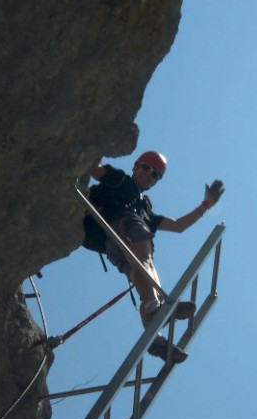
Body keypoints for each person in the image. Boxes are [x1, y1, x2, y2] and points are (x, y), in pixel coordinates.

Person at [89, 151, 224, 363]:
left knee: (143, 277)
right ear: (136, 166)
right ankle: (156, 311)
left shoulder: (145, 208)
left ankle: (156, 340)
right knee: (145, 265)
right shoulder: (120, 180)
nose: (148, 175)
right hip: (123, 225)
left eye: (155, 174)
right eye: (146, 168)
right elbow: (93, 167)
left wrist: (205, 206)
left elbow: (178, 226)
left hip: (114, 244)